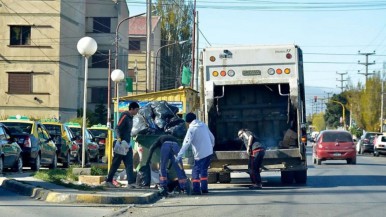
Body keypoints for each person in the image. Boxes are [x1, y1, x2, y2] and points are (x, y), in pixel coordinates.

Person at [175, 112, 215, 195]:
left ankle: (196, 190)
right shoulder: (203, 125)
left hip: (200, 154)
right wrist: (211, 147)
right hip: (209, 152)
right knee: (204, 170)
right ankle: (204, 189)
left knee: (195, 171)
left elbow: (186, 143)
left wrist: (179, 155)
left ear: (187, 121)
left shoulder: (192, 129)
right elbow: (212, 137)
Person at [105, 102, 140, 188]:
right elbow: (117, 128)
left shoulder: (131, 118)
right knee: (116, 163)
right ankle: (108, 180)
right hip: (121, 144)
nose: (137, 112)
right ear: (131, 109)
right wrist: (119, 138)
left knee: (129, 163)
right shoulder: (124, 116)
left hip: (127, 145)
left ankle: (131, 183)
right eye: (136, 110)